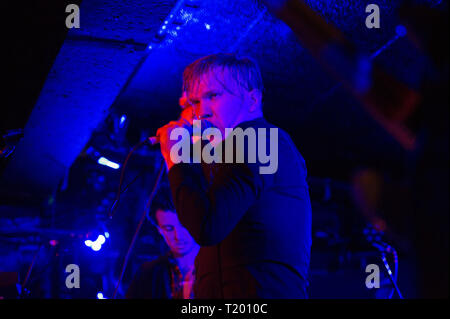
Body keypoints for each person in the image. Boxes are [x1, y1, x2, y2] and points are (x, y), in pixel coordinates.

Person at [156, 53, 312, 298]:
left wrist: (179, 158)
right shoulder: (224, 154)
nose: (202, 111)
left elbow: (207, 226)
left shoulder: (263, 141)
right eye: (195, 101)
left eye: (213, 96)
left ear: (252, 100)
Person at [126, 186, 199, 299]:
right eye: (169, 228)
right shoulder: (147, 274)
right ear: (159, 229)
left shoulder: (221, 266)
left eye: (184, 226)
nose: (178, 236)